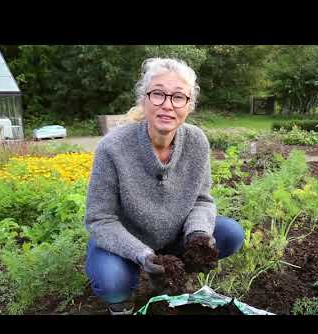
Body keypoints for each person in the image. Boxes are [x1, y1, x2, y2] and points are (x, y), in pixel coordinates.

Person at [84, 58, 245, 315]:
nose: (167, 105)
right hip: (126, 241)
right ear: (144, 100)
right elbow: (99, 219)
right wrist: (143, 254)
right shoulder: (112, 148)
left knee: (230, 234)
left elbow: (202, 200)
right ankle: (123, 301)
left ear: (189, 106)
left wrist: (197, 235)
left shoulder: (196, 141)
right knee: (112, 282)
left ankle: (171, 276)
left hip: (174, 237)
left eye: (178, 97)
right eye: (158, 94)